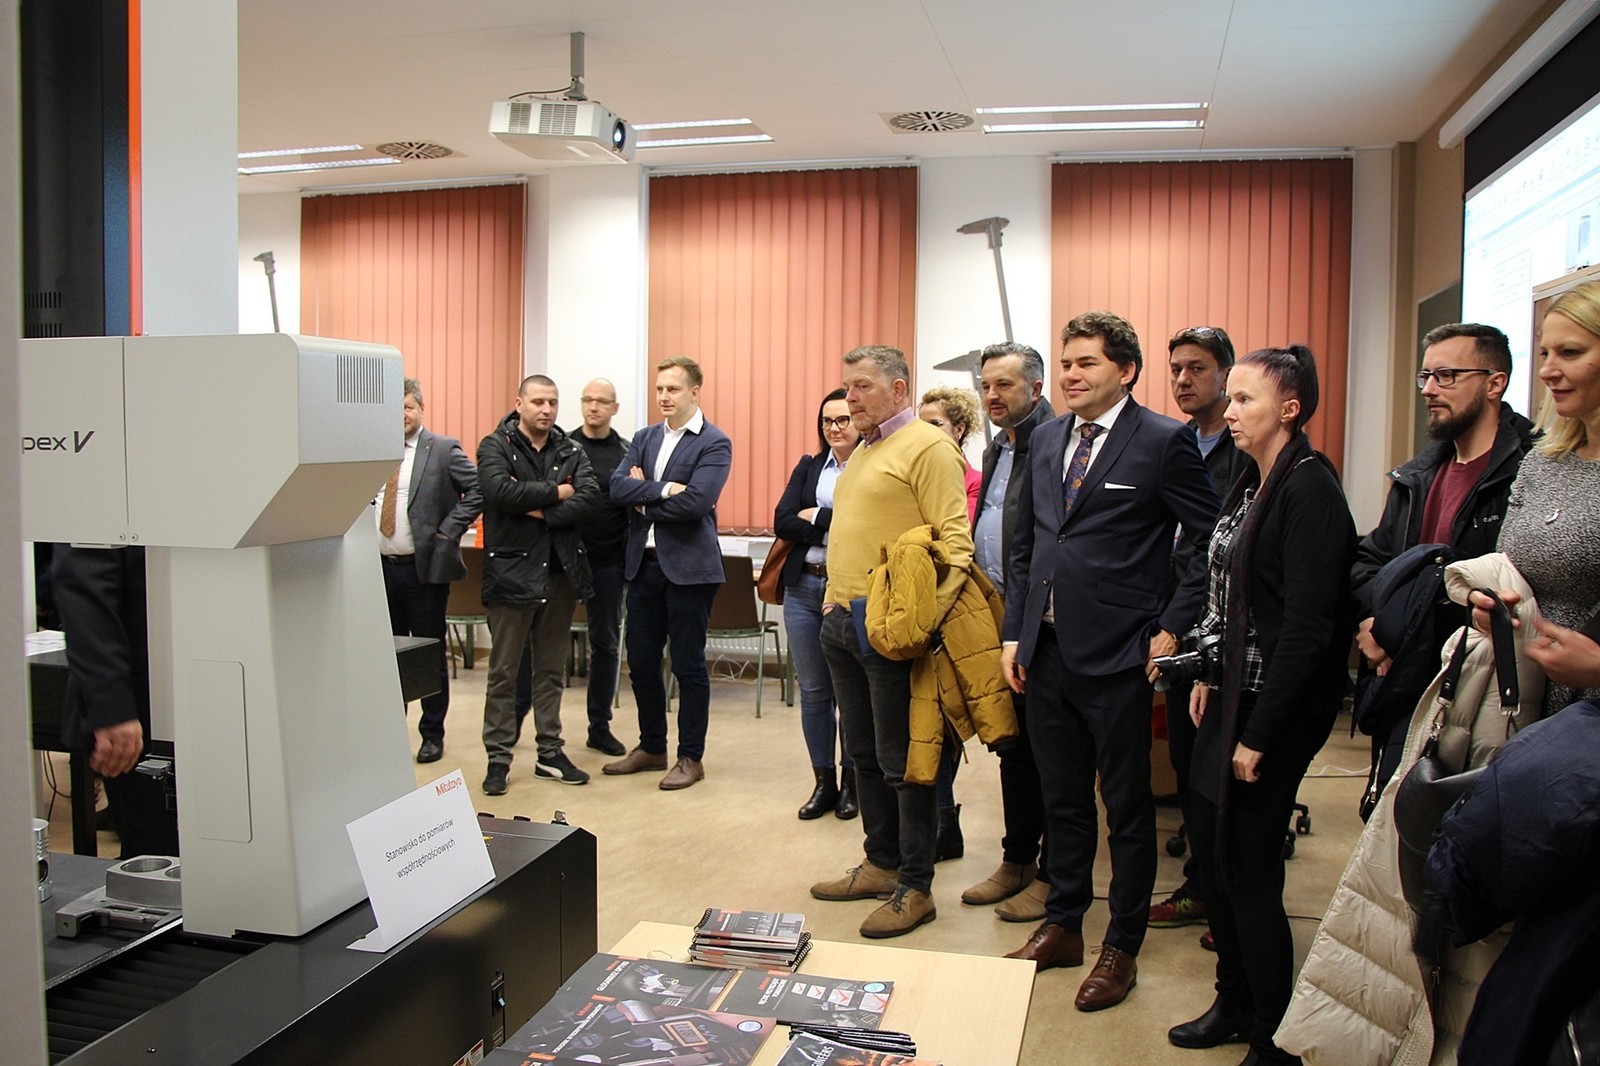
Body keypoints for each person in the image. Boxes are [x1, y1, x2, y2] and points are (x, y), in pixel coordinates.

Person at [1000, 311, 1218, 1014]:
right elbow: (1028, 543)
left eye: (1086, 363)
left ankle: (1121, 945)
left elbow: (1208, 539)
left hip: (1122, 654)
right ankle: (1064, 924)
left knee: (1125, 808)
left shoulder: (1163, 440)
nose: (1071, 375)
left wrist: (1173, 624)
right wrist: (1015, 634)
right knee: (1062, 800)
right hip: (1046, 653)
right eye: (1066, 363)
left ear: (1125, 371)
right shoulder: (1045, 439)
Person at [1169, 345, 1356, 1065]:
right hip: (1229, 693)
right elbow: (1226, 593)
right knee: (1214, 860)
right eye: (1233, 398)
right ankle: (1233, 1001)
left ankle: (1274, 1037)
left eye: (1246, 399)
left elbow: (1307, 630)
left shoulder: (1310, 490)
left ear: (1290, 409)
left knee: (1249, 871)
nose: (1231, 411)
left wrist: (1260, 734)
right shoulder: (1250, 479)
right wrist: (1207, 671)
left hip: (1273, 708)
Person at [808, 344, 973, 939]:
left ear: (899, 389)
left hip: (892, 629)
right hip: (842, 620)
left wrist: (920, 625)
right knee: (864, 755)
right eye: (846, 386)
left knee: (905, 762)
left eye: (862, 386)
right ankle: (880, 864)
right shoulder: (865, 448)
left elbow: (956, 548)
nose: (849, 398)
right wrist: (834, 599)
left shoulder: (928, 447)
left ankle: (915, 886)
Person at [1349, 324, 1532, 806]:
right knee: (1394, 822)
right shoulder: (1419, 475)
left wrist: (1402, 628)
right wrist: (1374, 621)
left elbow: (1515, 587)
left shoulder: (1529, 472)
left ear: (1495, 383)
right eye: (1425, 376)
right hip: (1406, 687)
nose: (1429, 389)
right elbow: (1370, 563)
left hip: (1484, 692)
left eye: (1446, 375)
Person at [1149, 326, 1248, 934]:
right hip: (1174, 620)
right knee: (1187, 763)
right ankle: (1204, 886)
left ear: (1226, 375)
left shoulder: (1247, 448)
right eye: (1176, 370)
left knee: (1218, 770)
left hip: (1224, 629)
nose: (1184, 380)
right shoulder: (1173, 442)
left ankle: (1224, 894)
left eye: (1198, 369)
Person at [961, 342, 1057, 923]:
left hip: (1040, 622)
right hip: (995, 616)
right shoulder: (997, 445)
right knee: (1012, 748)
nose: (992, 396)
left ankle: (1051, 874)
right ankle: (1017, 858)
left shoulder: (1054, 442)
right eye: (986, 385)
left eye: (1004, 385)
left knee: (1050, 754)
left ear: (1036, 389)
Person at [1470, 281, 1600, 714]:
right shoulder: (1542, 462)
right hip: (1523, 701)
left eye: (1570, 353)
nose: (1547, 370)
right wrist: (1491, 607)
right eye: (1545, 353)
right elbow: (1511, 567)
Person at [604, 356, 732, 791]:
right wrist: (662, 489)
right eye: (659, 389)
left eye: (672, 389)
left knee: (688, 665)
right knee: (641, 662)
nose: (663, 396)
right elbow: (617, 487)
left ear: (694, 392)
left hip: (691, 570)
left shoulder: (714, 442)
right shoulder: (644, 438)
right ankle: (652, 746)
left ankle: (690, 757)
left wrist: (644, 502)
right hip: (644, 566)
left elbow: (697, 503)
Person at [476, 375, 599, 796]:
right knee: (504, 672)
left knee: (550, 670)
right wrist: (557, 491)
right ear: (519, 404)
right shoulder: (496, 445)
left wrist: (540, 509)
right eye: (538, 402)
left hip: (559, 574)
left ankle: (550, 752)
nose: (546, 410)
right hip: (511, 574)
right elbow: (498, 492)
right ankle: (498, 757)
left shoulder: (570, 449)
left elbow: (588, 499)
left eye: (552, 402)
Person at [375, 378, 483, 764]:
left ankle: (432, 734)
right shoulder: (373, 452)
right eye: (393, 409)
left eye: (407, 407)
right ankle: (390, 733)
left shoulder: (441, 449)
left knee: (428, 654)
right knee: (387, 655)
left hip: (423, 572)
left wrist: (449, 530)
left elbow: (478, 490)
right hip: (379, 571)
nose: (401, 415)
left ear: (421, 409)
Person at [53, 545, 181, 858]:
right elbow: (84, 589)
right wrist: (112, 708)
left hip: (218, 685)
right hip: (143, 703)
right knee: (159, 857)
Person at [774, 388, 861, 821]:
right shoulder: (810, 466)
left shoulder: (871, 464)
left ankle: (853, 784)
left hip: (848, 591)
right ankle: (824, 782)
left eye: (843, 419)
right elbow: (782, 519)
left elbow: (862, 524)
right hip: (803, 587)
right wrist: (830, 525)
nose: (834, 428)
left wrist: (819, 517)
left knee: (851, 694)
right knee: (813, 692)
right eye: (827, 420)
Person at [917, 383, 982, 862]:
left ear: (958, 429)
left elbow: (951, 542)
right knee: (921, 724)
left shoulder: (972, 479)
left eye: (936, 424)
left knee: (946, 721)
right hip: (915, 607)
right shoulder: (916, 471)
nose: (926, 433)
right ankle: (936, 822)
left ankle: (944, 822)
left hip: (955, 609)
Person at [570, 377, 631, 757]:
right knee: (543, 644)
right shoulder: (563, 447)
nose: (593, 407)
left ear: (614, 408)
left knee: (605, 645)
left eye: (602, 401)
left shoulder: (626, 452)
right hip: (563, 561)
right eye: (588, 400)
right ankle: (535, 730)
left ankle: (599, 726)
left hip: (609, 561)